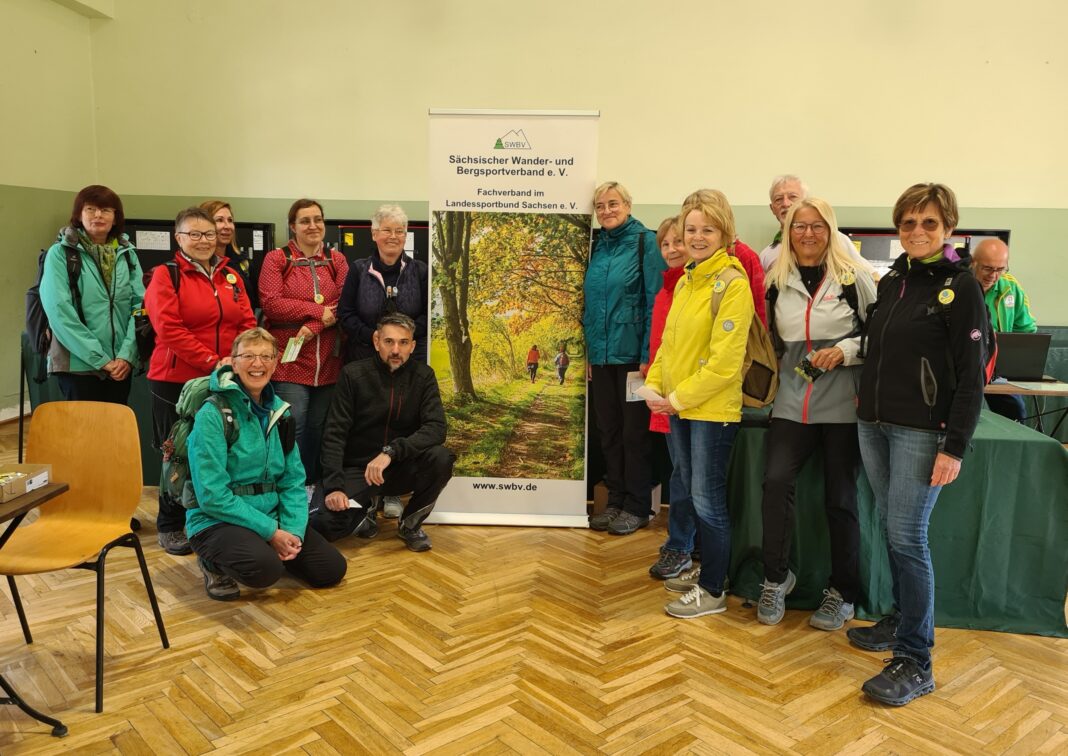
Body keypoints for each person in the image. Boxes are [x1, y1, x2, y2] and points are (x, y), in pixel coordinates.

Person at [850, 183, 985, 706]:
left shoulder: (961, 286)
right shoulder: (894, 283)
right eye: (907, 223)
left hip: (921, 434)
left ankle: (916, 660)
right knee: (891, 528)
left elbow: (972, 378)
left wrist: (954, 447)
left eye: (929, 223)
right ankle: (901, 621)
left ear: (948, 228)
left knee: (908, 538)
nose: (917, 232)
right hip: (874, 425)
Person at [757, 198, 876, 630]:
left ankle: (843, 591)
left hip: (845, 406)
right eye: (799, 226)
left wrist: (844, 351)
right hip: (792, 402)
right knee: (775, 483)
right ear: (787, 232)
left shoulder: (855, 278)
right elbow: (770, 342)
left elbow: (882, 338)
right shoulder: (777, 281)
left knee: (840, 499)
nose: (808, 234)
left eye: (817, 226)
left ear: (831, 230)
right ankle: (775, 577)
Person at [644, 195, 754, 618]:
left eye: (707, 230)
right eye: (691, 229)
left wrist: (674, 399)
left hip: (711, 412)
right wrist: (654, 386)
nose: (697, 237)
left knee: (708, 502)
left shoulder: (732, 284)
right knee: (689, 492)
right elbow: (669, 351)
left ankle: (712, 590)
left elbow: (725, 366)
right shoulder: (687, 280)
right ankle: (710, 571)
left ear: (724, 234)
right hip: (680, 409)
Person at [186, 327, 347, 600]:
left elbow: (293, 480)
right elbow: (213, 496)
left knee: (331, 570)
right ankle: (213, 562)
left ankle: (274, 551)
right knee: (264, 571)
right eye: (248, 356)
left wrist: (292, 532)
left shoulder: (281, 413)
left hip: (270, 517)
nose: (257, 364)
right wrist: (271, 532)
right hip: (216, 520)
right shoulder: (213, 414)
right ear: (233, 362)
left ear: (276, 362)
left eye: (265, 356)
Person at [144, 207, 256, 555]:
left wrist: (240, 358)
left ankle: (208, 520)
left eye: (208, 234)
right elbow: (169, 330)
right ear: (179, 239)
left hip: (224, 379)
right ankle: (170, 524)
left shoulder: (230, 276)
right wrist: (213, 361)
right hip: (175, 379)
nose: (203, 240)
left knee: (216, 453)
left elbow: (247, 320)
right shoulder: (165, 276)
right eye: (194, 234)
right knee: (176, 454)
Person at [312, 313, 455, 552]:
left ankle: (410, 524)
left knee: (442, 458)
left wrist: (392, 451)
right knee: (324, 524)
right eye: (389, 342)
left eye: (403, 342)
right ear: (377, 342)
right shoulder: (352, 375)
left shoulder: (424, 376)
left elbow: (436, 428)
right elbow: (335, 434)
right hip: (359, 469)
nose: (396, 350)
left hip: (400, 466)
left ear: (413, 346)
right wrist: (334, 486)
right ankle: (365, 508)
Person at [583, 181, 666, 536]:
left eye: (613, 203)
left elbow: (655, 302)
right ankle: (615, 499)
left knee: (635, 434)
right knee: (609, 431)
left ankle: (637, 506)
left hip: (634, 358)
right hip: (601, 358)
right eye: (600, 206)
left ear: (628, 205)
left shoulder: (645, 242)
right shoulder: (596, 246)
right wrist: (588, 352)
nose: (606, 211)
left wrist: (649, 356)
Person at [259, 199, 349, 504]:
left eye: (318, 220)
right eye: (305, 221)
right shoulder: (276, 259)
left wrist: (315, 326)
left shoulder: (338, 261)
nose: (313, 226)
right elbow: (271, 302)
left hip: (329, 364)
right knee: (291, 426)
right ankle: (284, 488)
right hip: (289, 361)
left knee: (319, 430)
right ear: (293, 226)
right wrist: (317, 311)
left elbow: (345, 305)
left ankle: (311, 486)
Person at [39, 184, 144, 403]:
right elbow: (60, 312)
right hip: (77, 365)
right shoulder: (60, 254)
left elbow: (141, 306)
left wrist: (127, 355)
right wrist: (100, 359)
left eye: (106, 210)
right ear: (79, 215)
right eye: (90, 209)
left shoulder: (127, 254)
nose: (98, 215)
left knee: (115, 433)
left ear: (115, 217)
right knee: (83, 434)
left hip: (120, 365)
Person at [646, 216, 699, 580]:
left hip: (694, 398)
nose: (671, 249)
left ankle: (682, 545)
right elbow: (662, 347)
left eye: (678, 241)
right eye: (665, 244)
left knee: (688, 476)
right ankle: (681, 543)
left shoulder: (697, 286)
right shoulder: (666, 289)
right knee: (681, 472)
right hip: (665, 397)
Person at [337, 203, 428, 363]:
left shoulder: (421, 271)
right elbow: (345, 315)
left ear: (405, 236)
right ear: (374, 234)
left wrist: (404, 336)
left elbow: (429, 317)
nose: (393, 236)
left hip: (410, 362)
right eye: (387, 230)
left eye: (399, 231)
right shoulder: (358, 269)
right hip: (365, 358)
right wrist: (374, 336)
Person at [971, 238, 1037, 422]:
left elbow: (1025, 330)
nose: (993, 275)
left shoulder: (1011, 287)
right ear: (973, 263)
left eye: (1000, 269)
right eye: (987, 268)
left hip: (998, 371)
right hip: (962, 367)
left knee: (1015, 414)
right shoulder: (958, 285)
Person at [681, 189, 767, 326]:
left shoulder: (743, 255)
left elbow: (759, 308)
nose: (698, 236)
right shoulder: (692, 256)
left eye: (707, 228)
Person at [758, 175, 868, 274]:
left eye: (793, 197)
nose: (786, 204)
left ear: (806, 202)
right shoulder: (767, 255)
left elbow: (871, 276)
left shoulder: (836, 240)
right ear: (772, 208)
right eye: (778, 199)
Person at [199, 199, 257, 310]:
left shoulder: (244, 263)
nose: (227, 226)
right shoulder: (197, 265)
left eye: (230, 220)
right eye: (219, 220)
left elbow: (253, 304)